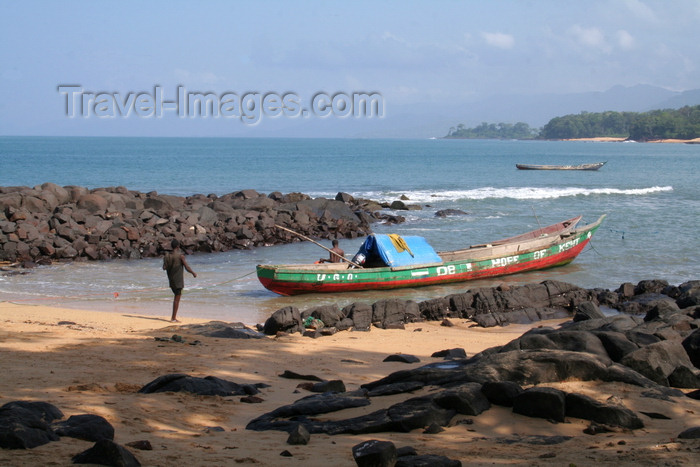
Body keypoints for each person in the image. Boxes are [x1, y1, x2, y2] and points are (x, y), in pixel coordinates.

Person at [162, 239, 197, 322]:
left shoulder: (166, 256)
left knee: (176, 297)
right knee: (177, 299)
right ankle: (173, 318)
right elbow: (187, 267)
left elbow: (164, 268)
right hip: (178, 281)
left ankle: (173, 317)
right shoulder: (180, 256)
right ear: (178, 246)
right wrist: (193, 273)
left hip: (171, 280)